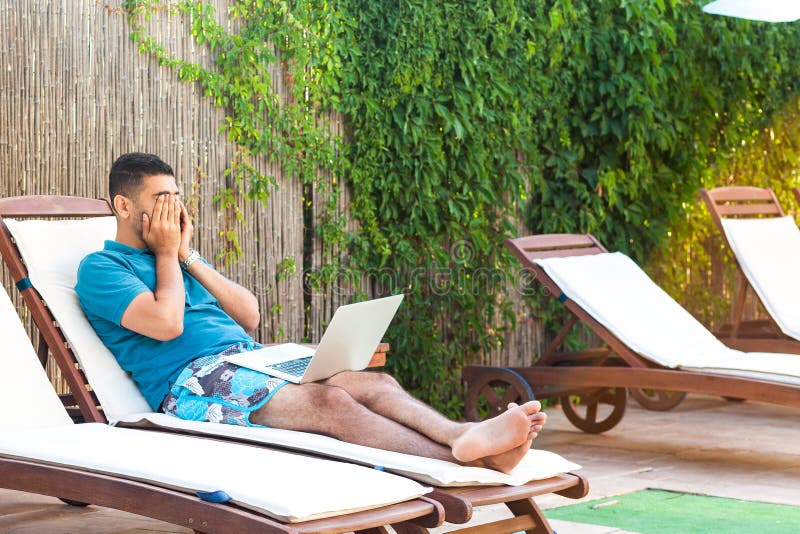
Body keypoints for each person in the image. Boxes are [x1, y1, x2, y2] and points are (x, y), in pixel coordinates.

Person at [76, 152, 546, 473]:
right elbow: (167, 324)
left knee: (371, 382)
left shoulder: (179, 256)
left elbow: (249, 316)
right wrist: (164, 253)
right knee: (331, 403)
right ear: (123, 205)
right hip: (190, 382)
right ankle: (468, 463)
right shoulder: (102, 268)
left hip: (248, 358)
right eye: (161, 199)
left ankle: (462, 435)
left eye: (176, 197)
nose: (173, 209)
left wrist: (188, 255)